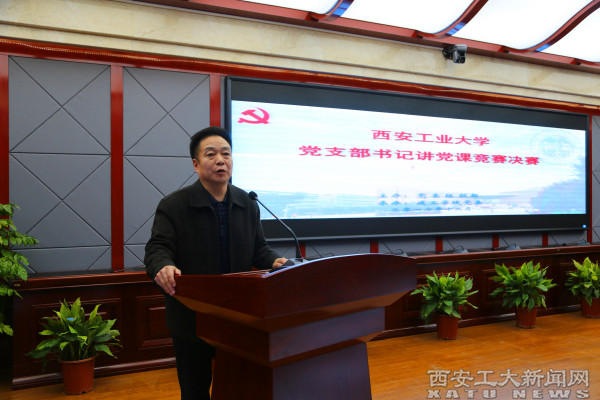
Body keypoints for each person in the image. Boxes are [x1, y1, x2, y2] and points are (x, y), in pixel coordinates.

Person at [144, 126, 288, 400]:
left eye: (226, 154)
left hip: (238, 317)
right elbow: (157, 248)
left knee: (238, 387)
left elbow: (259, 249)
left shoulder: (247, 203)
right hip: (192, 317)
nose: (220, 160)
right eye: (211, 154)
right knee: (195, 390)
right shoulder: (174, 205)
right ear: (196, 164)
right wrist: (163, 265)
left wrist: (274, 260)